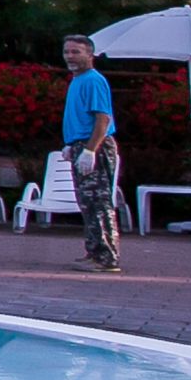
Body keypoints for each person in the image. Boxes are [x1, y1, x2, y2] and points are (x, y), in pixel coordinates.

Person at [59, 34, 121, 272]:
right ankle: (94, 251)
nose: (70, 57)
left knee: (98, 202)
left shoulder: (93, 81)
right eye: (67, 52)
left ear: (90, 54)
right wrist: (71, 143)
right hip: (80, 144)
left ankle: (107, 257)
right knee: (87, 202)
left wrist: (90, 150)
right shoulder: (77, 80)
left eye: (76, 52)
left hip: (94, 145)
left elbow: (103, 119)